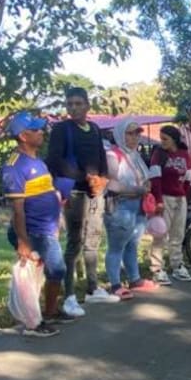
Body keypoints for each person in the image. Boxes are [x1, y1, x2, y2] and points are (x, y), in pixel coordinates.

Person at [1, 110, 68, 336]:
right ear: (23, 136)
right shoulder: (14, 166)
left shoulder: (37, 161)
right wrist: (23, 241)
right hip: (34, 231)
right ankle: (37, 320)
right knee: (55, 269)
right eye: (36, 130)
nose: (41, 133)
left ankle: (47, 313)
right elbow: (17, 208)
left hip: (46, 227)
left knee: (44, 274)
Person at [46, 86, 114, 310]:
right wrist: (85, 178)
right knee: (74, 243)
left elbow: (101, 156)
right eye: (70, 104)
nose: (73, 108)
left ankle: (93, 287)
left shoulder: (94, 129)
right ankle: (69, 295)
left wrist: (102, 179)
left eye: (78, 104)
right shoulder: (61, 129)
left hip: (95, 192)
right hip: (75, 192)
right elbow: (55, 161)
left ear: (87, 105)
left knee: (93, 240)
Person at [103, 117, 156, 298]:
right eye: (130, 133)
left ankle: (135, 279)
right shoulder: (113, 155)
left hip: (139, 205)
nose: (134, 137)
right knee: (116, 246)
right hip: (121, 206)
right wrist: (137, 189)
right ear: (120, 134)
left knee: (132, 243)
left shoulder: (135, 155)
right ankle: (115, 284)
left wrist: (146, 187)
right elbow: (111, 184)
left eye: (137, 133)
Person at [147, 124, 191, 284]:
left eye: (165, 139)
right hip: (164, 197)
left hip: (180, 198)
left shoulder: (184, 154)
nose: (162, 142)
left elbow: (188, 177)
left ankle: (177, 264)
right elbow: (155, 179)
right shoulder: (158, 154)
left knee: (178, 233)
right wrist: (158, 200)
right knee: (160, 234)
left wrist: (184, 195)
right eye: (161, 139)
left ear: (174, 139)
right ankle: (157, 268)